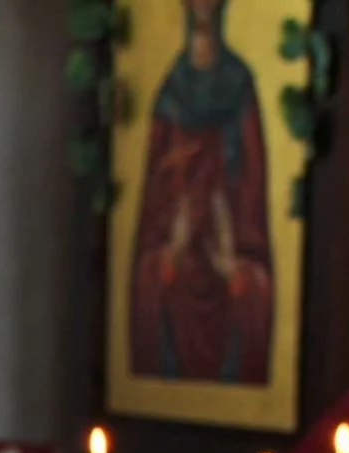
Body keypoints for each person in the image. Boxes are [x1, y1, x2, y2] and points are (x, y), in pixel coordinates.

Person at [129, 0, 274, 384]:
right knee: (152, 284)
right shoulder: (170, 93)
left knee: (252, 291)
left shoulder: (240, 86)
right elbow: (153, 207)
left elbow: (253, 195)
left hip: (226, 246)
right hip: (180, 250)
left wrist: (234, 263)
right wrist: (170, 251)